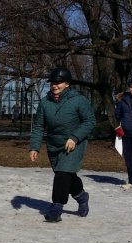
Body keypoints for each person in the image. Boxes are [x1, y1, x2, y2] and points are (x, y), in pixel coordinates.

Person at [29, 67, 95, 222]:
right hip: (54, 145)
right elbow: (39, 126)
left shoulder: (79, 100)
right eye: (53, 82)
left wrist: (74, 137)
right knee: (67, 176)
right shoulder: (45, 102)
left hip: (73, 144)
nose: (55, 85)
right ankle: (82, 197)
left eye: (59, 83)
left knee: (62, 174)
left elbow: (90, 121)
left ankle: (56, 209)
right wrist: (34, 147)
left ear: (67, 84)